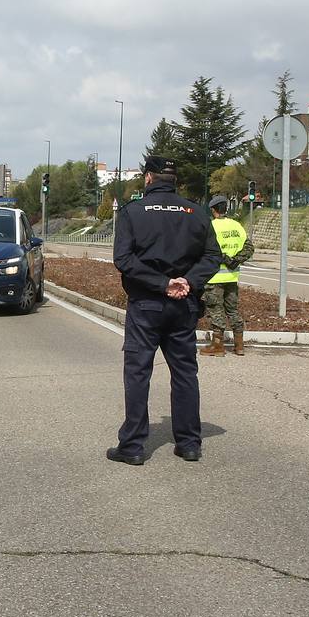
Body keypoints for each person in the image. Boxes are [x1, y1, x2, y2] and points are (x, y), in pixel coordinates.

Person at [107, 156, 222, 465]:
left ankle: (132, 447)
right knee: (185, 373)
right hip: (184, 304)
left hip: (146, 304)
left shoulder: (133, 212)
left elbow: (124, 260)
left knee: (138, 373)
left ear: (148, 178)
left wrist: (161, 283)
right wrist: (188, 281)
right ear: (174, 181)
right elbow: (213, 256)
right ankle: (189, 444)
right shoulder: (196, 212)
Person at [201, 194, 254, 357]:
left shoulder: (210, 227)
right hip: (232, 276)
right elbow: (249, 248)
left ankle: (217, 346)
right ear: (226, 208)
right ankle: (239, 345)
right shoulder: (236, 226)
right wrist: (235, 261)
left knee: (215, 310)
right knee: (232, 310)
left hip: (214, 277)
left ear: (213, 210)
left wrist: (224, 258)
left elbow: (207, 250)